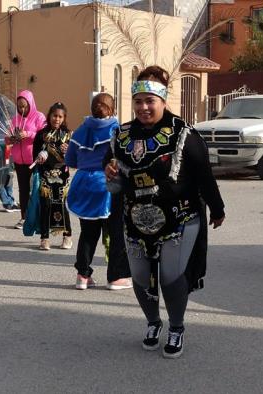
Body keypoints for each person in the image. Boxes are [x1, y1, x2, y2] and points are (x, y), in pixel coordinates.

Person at [105, 66, 225, 358]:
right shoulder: (120, 136)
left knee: (171, 277)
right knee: (139, 278)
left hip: (179, 218)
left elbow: (204, 176)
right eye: (138, 101)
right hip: (135, 221)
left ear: (163, 99)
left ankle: (177, 326)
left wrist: (217, 207)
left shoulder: (184, 133)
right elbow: (117, 181)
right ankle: (153, 322)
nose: (144, 107)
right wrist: (110, 174)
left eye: (150, 101)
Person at [65, 93, 120, 290]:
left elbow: (70, 160)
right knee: (114, 232)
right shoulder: (116, 129)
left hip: (82, 183)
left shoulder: (80, 130)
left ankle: (82, 275)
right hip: (106, 183)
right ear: (112, 109)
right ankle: (115, 277)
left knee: (88, 233)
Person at [33, 102, 73, 250]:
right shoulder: (41, 135)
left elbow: (74, 159)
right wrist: (39, 157)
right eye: (54, 115)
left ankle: (67, 236)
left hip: (62, 174)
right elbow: (34, 157)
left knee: (63, 205)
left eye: (60, 116)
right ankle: (44, 238)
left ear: (64, 118)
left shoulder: (68, 135)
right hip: (46, 173)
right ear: (49, 115)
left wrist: (68, 151)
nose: (57, 119)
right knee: (45, 205)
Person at [8, 90, 46, 229]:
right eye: (19, 106)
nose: (22, 109)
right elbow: (6, 137)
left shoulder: (39, 117)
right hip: (19, 160)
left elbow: (43, 135)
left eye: (24, 106)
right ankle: (24, 217)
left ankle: (39, 217)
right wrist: (11, 138)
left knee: (36, 189)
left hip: (34, 160)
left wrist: (28, 134)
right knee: (23, 190)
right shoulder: (15, 119)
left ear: (31, 103)